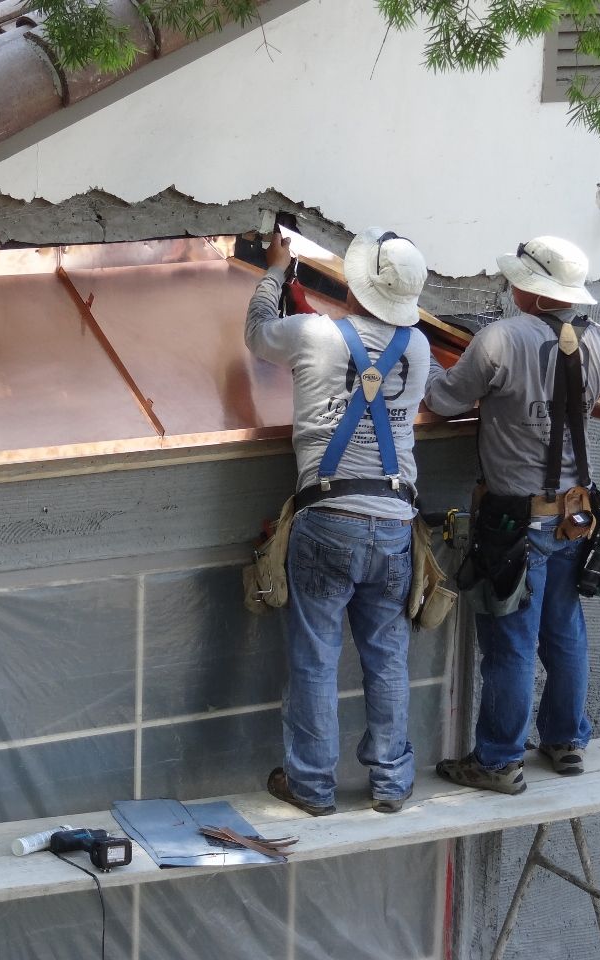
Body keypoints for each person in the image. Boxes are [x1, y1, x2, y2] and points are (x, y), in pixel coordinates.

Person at [425, 235, 600, 793]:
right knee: (564, 632)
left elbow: (443, 400)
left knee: (511, 642)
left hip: (514, 524)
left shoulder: (498, 340)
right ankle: (565, 741)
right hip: (575, 517)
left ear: (529, 290)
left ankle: (497, 762)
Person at [246, 226, 432, 815]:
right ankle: (392, 782)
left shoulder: (312, 333)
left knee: (315, 657)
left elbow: (255, 335)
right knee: (387, 656)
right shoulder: (420, 348)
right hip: (397, 522)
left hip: (328, 518)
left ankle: (312, 786)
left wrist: (275, 272)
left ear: (353, 281)